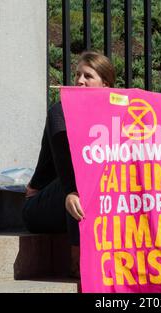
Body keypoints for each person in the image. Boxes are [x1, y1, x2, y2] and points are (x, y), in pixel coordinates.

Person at [22, 51, 116, 277]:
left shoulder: (114, 114)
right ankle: (78, 259)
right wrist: (71, 191)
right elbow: (65, 163)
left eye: (88, 76)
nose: (80, 81)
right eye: (77, 75)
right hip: (44, 204)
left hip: (82, 195)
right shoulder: (60, 111)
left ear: (105, 85)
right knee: (83, 181)